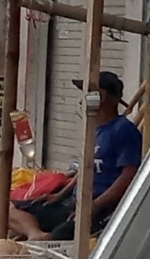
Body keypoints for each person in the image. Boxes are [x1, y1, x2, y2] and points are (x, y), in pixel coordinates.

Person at [11, 70, 139, 241]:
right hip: (75, 202)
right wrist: (59, 195)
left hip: (100, 206)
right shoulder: (96, 131)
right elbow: (85, 170)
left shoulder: (123, 130)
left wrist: (95, 205)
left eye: (88, 94)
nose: (83, 100)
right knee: (11, 209)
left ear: (101, 96)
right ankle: (37, 235)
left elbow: (128, 176)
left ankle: (44, 237)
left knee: (61, 235)